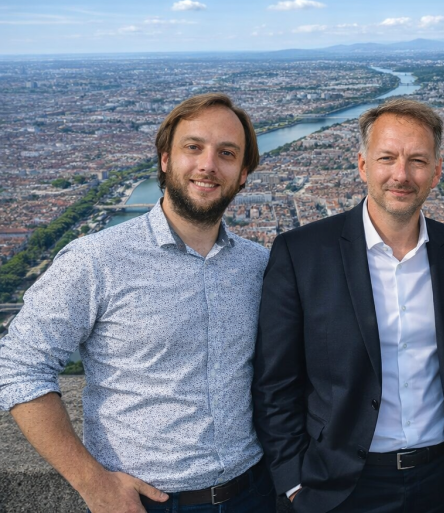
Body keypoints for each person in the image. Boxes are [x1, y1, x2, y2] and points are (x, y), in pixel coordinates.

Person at [0, 93, 275, 512]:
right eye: (193, 147)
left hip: (254, 493)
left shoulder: (259, 264)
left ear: (242, 175)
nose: (208, 165)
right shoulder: (96, 260)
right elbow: (19, 366)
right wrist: (93, 483)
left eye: (227, 153)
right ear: (165, 160)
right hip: (147, 503)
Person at [252, 98, 444, 513]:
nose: (401, 174)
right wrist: (292, 482)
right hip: (339, 486)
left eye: (416, 160)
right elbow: (274, 383)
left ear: (436, 171)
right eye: (387, 158)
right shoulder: (301, 254)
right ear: (362, 166)